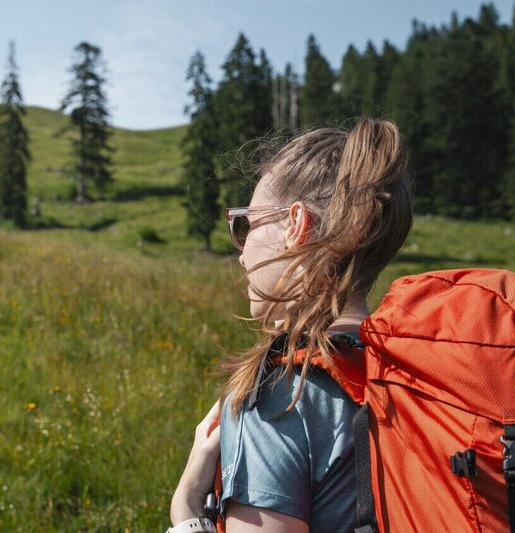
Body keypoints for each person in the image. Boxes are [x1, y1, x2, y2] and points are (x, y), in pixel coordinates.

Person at [169, 118, 413, 533]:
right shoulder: (415, 367)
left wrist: (188, 511)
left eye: (247, 224)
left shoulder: (282, 392)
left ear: (295, 224)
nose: (243, 255)